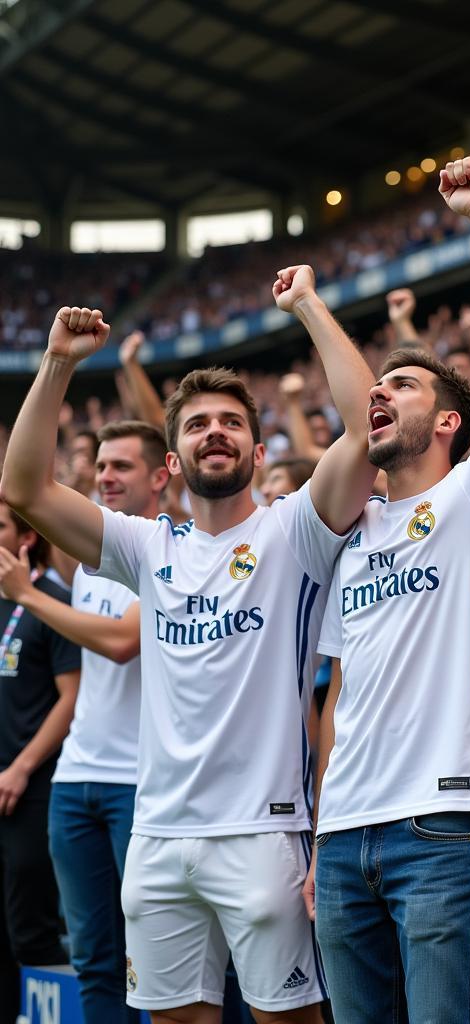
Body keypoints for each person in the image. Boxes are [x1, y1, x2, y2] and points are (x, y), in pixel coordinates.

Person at [0, 283, 378, 1023]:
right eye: (199, 423)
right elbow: (24, 488)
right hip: (158, 832)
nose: (215, 432)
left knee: (285, 1019)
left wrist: (307, 308)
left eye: (232, 423)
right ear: (171, 461)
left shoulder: (293, 531)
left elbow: (366, 432)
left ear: (259, 449)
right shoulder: (148, 547)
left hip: (265, 833)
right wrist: (55, 363)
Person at [305, 158, 470, 1023]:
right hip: (343, 836)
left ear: (450, 420)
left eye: (402, 385)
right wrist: (320, 827)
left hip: (446, 826)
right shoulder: (350, 536)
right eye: (377, 388)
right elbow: (335, 698)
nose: (379, 394)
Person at [0, 421, 167, 1024]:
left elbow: (124, 642)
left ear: (161, 474)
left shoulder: (173, 551)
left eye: (121, 466)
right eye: (99, 467)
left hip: (139, 783)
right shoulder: (92, 560)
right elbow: (24, 487)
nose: (104, 477)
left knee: (148, 963)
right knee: (96, 961)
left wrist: (30, 597)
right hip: (75, 781)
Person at [0, 502, 80, 1024]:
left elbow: (72, 698)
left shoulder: (52, 601)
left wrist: (22, 766)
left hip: (34, 788)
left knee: (31, 925)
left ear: (26, 539)